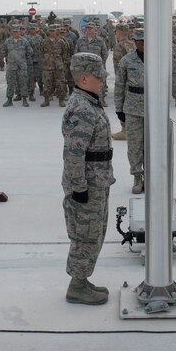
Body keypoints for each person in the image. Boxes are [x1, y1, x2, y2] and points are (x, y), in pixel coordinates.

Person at [61, 52, 115, 305]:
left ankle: (82, 279)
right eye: (98, 76)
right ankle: (77, 285)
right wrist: (78, 188)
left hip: (97, 180)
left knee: (94, 232)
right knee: (86, 235)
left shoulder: (89, 102)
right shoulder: (82, 109)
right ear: (84, 78)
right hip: (87, 184)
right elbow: (73, 154)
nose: (102, 80)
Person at [114, 28, 146, 194]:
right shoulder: (126, 60)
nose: (143, 45)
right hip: (133, 108)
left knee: (152, 145)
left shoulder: (158, 59)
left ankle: (150, 175)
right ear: (135, 42)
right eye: (140, 42)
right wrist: (119, 109)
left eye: (145, 42)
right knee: (134, 145)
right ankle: (137, 176)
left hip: (153, 108)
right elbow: (119, 85)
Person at [2, 23, 33, 107]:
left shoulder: (24, 41)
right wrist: (10, 59)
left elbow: (30, 52)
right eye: (14, 32)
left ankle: (24, 99)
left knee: (23, 82)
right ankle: (9, 100)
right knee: (10, 83)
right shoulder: (8, 41)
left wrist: (23, 60)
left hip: (22, 66)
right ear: (12, 32)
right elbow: (3, 51)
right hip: (11, 66)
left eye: (17, 32)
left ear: (19, 32)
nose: (15, 33)